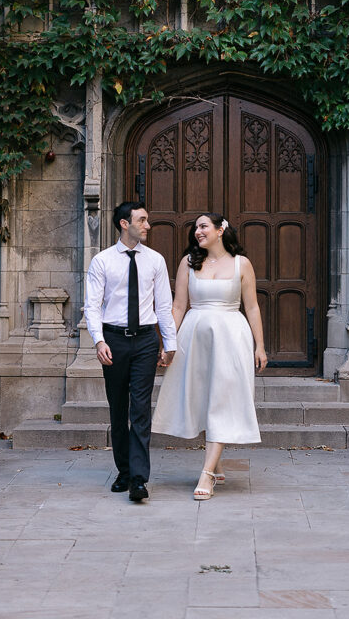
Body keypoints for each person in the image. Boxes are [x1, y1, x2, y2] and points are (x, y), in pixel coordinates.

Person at [151, 212, 267, 500]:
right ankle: (216, 460)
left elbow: (252, 308)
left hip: (231, 337)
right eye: (195, 228)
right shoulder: (189, 263)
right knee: (202, 397)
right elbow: (178, 307)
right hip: (194, 336)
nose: (197, 232)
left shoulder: (242, 264)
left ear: (220, 230)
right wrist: (168, 343)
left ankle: (207, 473)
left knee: (223, 398)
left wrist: (260, 345)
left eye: (203, 227)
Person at [84, 201, 176, 502]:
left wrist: (169, 343)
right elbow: (92, 306)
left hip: (146, 341)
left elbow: (163, 305)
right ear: (125, 223)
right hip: (114, 340)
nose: (148, 225)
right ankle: (123, 470)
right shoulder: (102, 262)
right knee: (118, 408)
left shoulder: (156, 261)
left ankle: (138, 479)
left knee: (140, 410)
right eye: (142, 220)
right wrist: (99, 341)